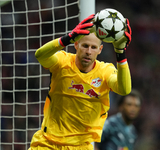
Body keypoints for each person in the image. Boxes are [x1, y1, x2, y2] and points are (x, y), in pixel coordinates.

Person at [28, 14, 132, 150]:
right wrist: (67, 38)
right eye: (85, 46)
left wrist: (121, 54)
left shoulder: (105, 71)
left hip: (81, 146)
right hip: (48, 142)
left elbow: (124, 90)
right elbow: (40, 55)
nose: (89, 51)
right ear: (76, 44)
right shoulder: (62, 62)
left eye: (93, 47)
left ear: (99, 50)